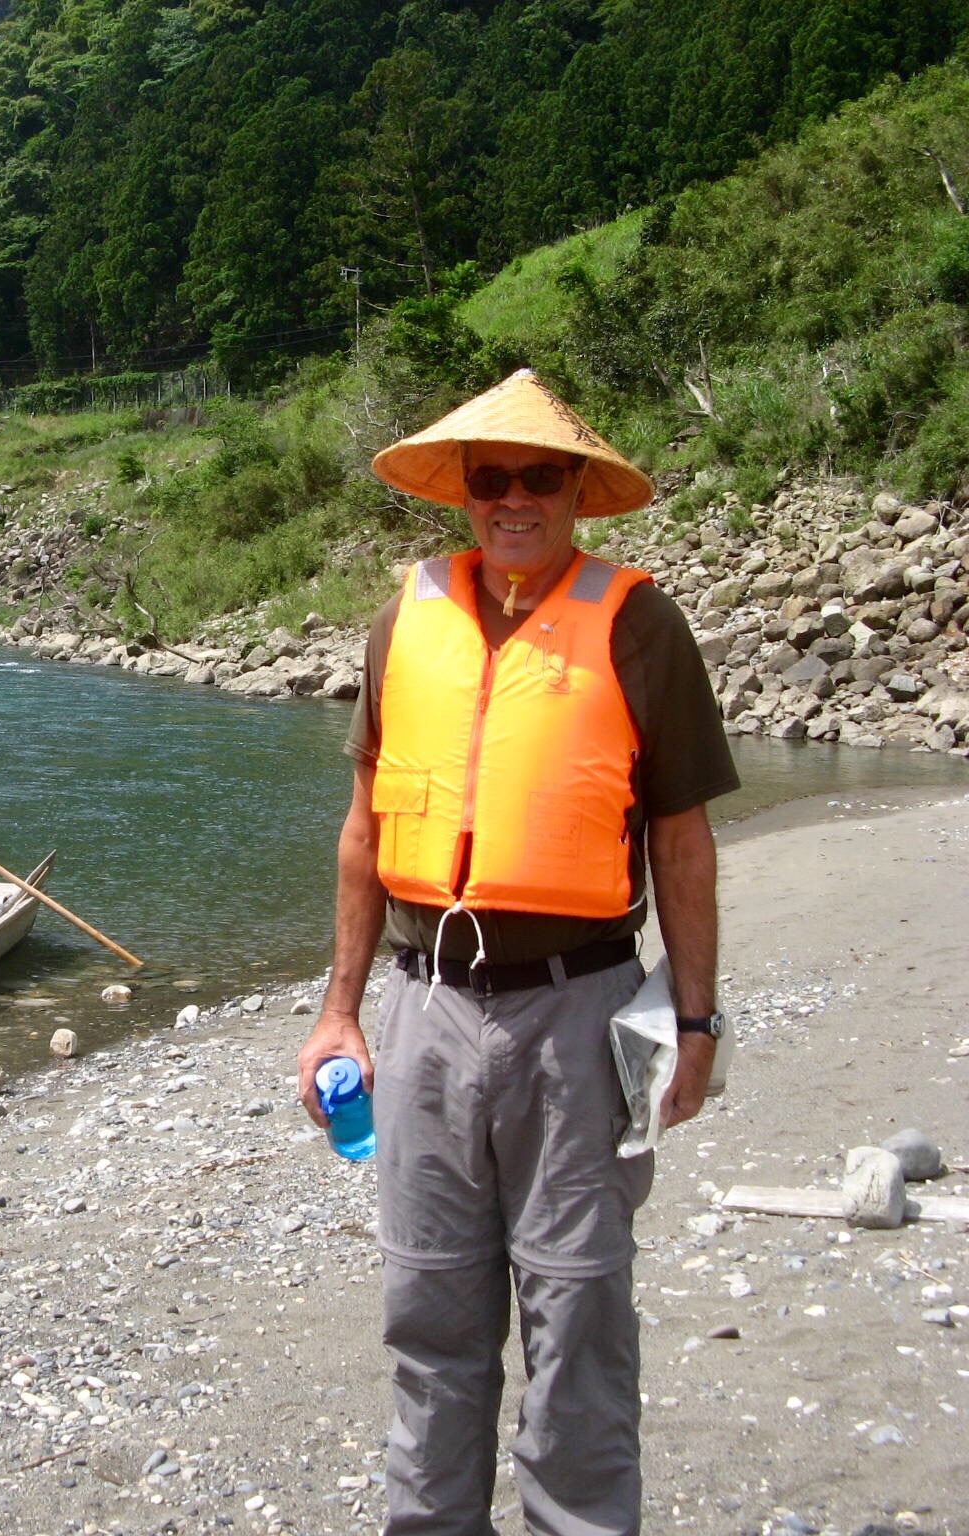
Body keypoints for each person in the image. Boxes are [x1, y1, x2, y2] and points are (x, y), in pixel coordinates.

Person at [295, 369, 737, 1536]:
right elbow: (363, 831)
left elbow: (680, 843)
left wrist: (696, 1022)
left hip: (577, 1010)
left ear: (577, 490)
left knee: (578, 1311)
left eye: (539, 476)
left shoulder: (638, 626)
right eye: (491, 478)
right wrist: (337, 1014)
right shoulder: (404, 619)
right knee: (427, 1314)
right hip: (423, 1009)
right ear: (464, 494)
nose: (513, 498)